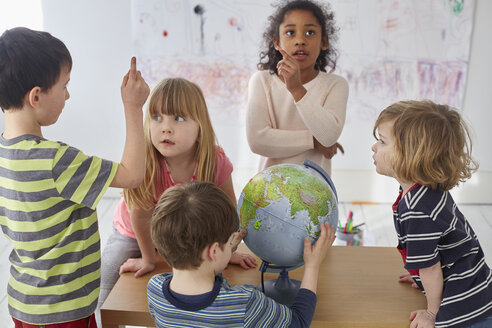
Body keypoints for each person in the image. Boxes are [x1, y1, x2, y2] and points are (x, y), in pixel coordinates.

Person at [0, 27, 149, 327]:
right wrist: (133, 107)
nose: (68, 95)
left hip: (23, 304)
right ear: (36, 96)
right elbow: (132, 175)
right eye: (64, 85)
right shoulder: (55, 160)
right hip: (65, 308)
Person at [98, 77, 257, 309]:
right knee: (108, 274)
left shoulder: (214, 160)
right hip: (134, 232)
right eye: (156, 117)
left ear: (200, 128)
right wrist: (149, 258)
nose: (165, 127)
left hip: (184, 232)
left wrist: (227, 249)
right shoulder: (147, 162)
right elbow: (141, 217)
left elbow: (228, 207)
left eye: (178, 118)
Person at [147, 181, 335, 327]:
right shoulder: (243, 303)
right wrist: (312, 265)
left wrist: (227, 249)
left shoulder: (154, 290)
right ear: (213, 251)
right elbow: (298, 323)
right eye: (228, 243)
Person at [372, 100, 492, 328]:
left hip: (466, 301)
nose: (374, 147)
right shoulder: (425, 188)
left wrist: (432, 312)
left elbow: (431, 267)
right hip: (473, 279)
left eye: (382, 141)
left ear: (412, 154)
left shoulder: (418, 209)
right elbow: (437, 249)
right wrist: (422, 277)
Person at [246, 0, 348, 175]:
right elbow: (257, 141)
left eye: (310, 32)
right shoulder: (261, 81)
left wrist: (297, 89)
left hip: (315, 196)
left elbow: (329, 136)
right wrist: (314, 141)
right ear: (277, 42)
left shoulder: (336, 84)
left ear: (324, 41)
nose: (300, 40)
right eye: (290, 32)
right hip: (268, 195)